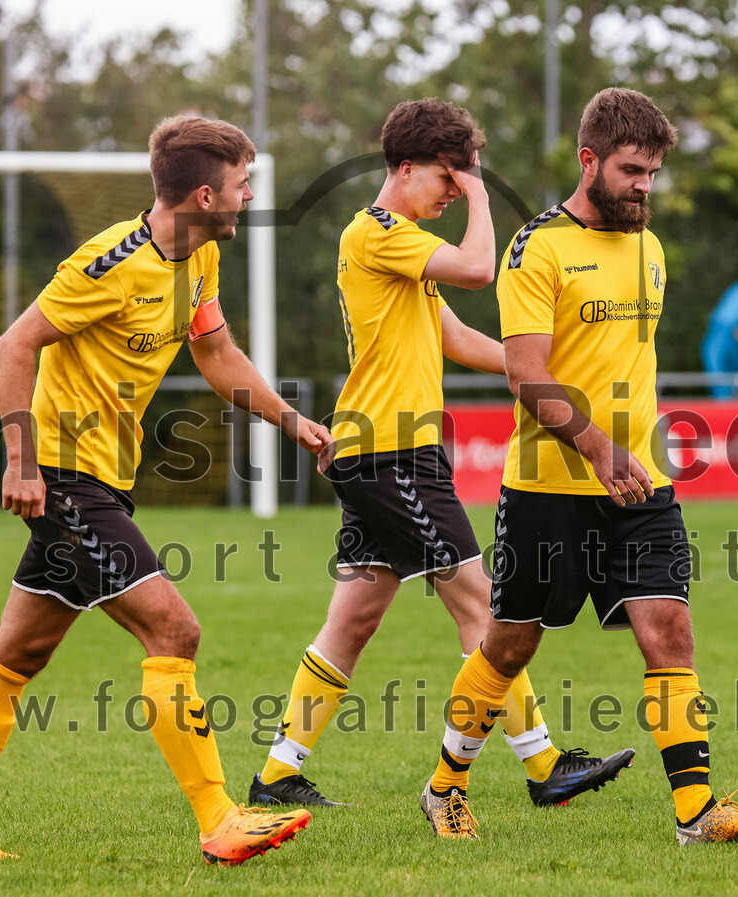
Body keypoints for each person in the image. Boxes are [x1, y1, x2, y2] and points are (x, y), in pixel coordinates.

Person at [0, 115, 334, 866]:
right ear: (205, 192)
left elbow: (217, 352)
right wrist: (21, 461)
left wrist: (290, 419)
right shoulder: (109, 261)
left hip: (106, 479)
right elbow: (16, 344)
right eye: (242, 186)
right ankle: (219, 818)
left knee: (19, 652)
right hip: (67, 479)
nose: (246, 199)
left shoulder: (199, 260)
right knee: (176, 632)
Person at [421, 88, 738, 844]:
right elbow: (526, 371)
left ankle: (696, 812)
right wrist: (596, 445)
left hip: (641, 484)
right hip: (547, 488)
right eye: (631, 169)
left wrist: (630, 454)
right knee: (510, 642)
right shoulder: (537, 248)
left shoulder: (650, 248)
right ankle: (445, 783)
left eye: (653, 171)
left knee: (669, 630)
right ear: (589, 161)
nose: (645, 185)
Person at [249, 98, 633, 820]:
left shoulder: (402, 245)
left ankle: (277, 773)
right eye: (446, 179)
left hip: (381, 451)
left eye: (461, 184)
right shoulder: (379, 232)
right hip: (391, 454)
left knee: (353, 618)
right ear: (403, 168)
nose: (454, 192)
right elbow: (480, 267)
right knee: (482, 606)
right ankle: (544, 762)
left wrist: (536, 375)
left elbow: (455, 335)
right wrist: (484, 193)